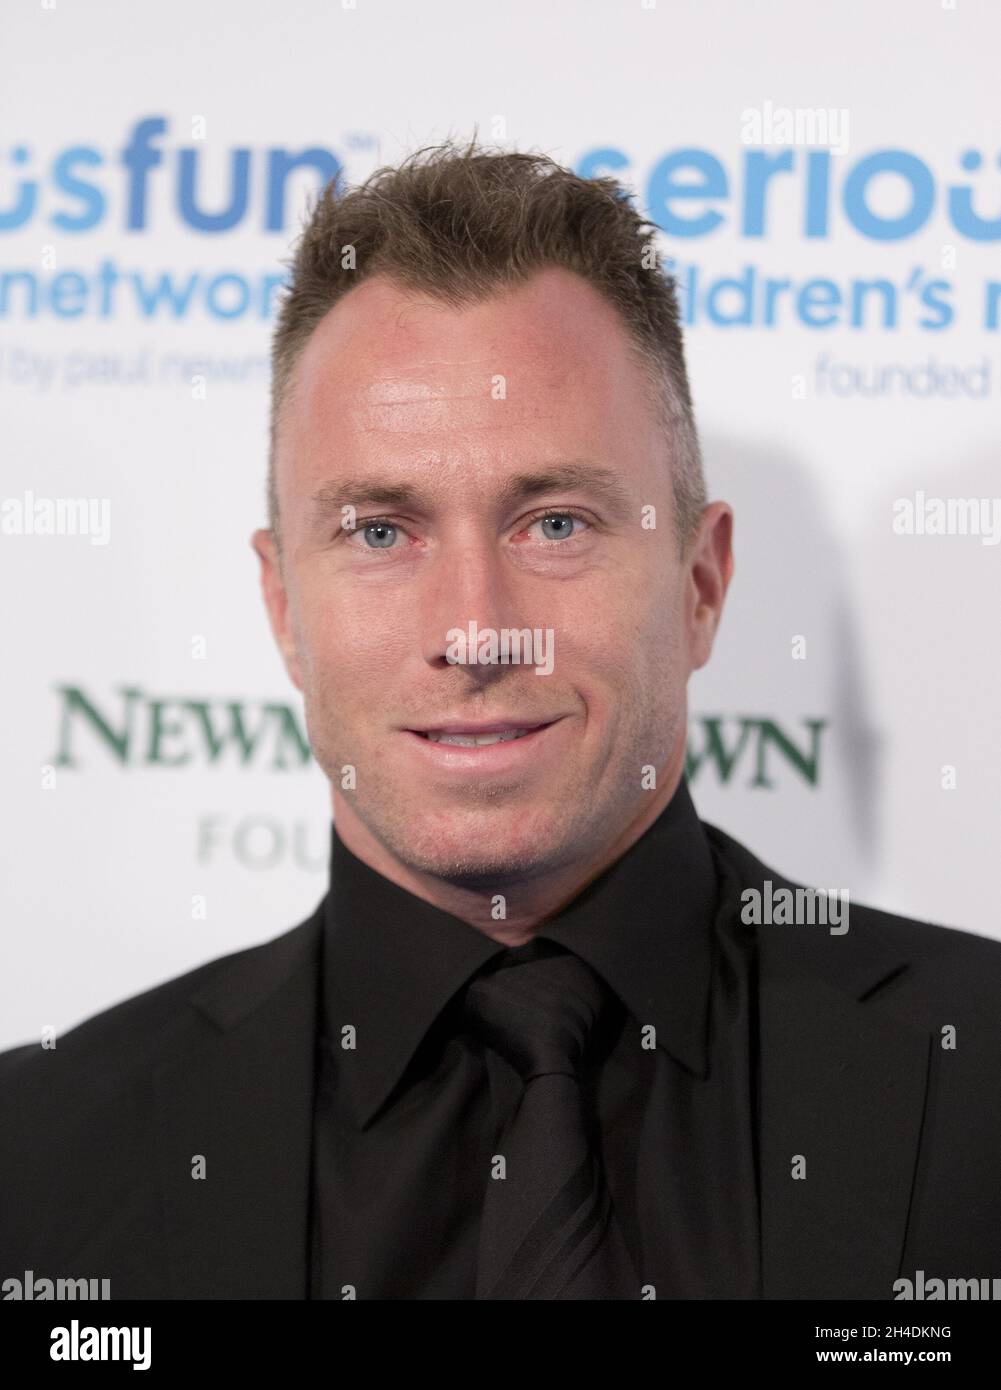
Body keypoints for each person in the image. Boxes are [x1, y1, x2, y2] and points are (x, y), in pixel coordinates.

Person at [2, 139, 1000, 1301]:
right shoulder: (40, 1163)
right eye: (381, 531)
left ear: (700, 584)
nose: (475, 631)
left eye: (557, 523)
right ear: (282, 607)